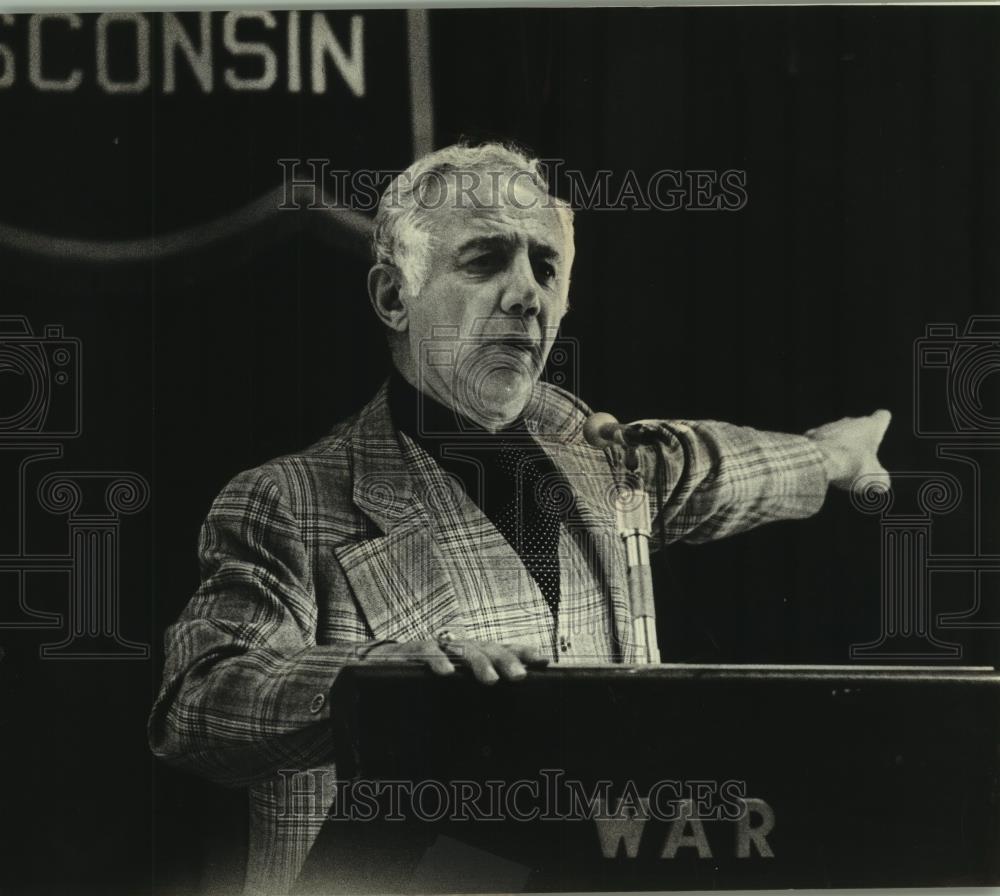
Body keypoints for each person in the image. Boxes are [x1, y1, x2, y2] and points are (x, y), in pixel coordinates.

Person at [148, 141, 891, 895]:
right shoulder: (291, 499)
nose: (525, 293)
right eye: (485, 259)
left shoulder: (592, 452)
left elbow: (703, 466)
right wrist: (375, 681)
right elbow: (197, 707)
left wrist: (829, 458)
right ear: (393, 296)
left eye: (545, 266)